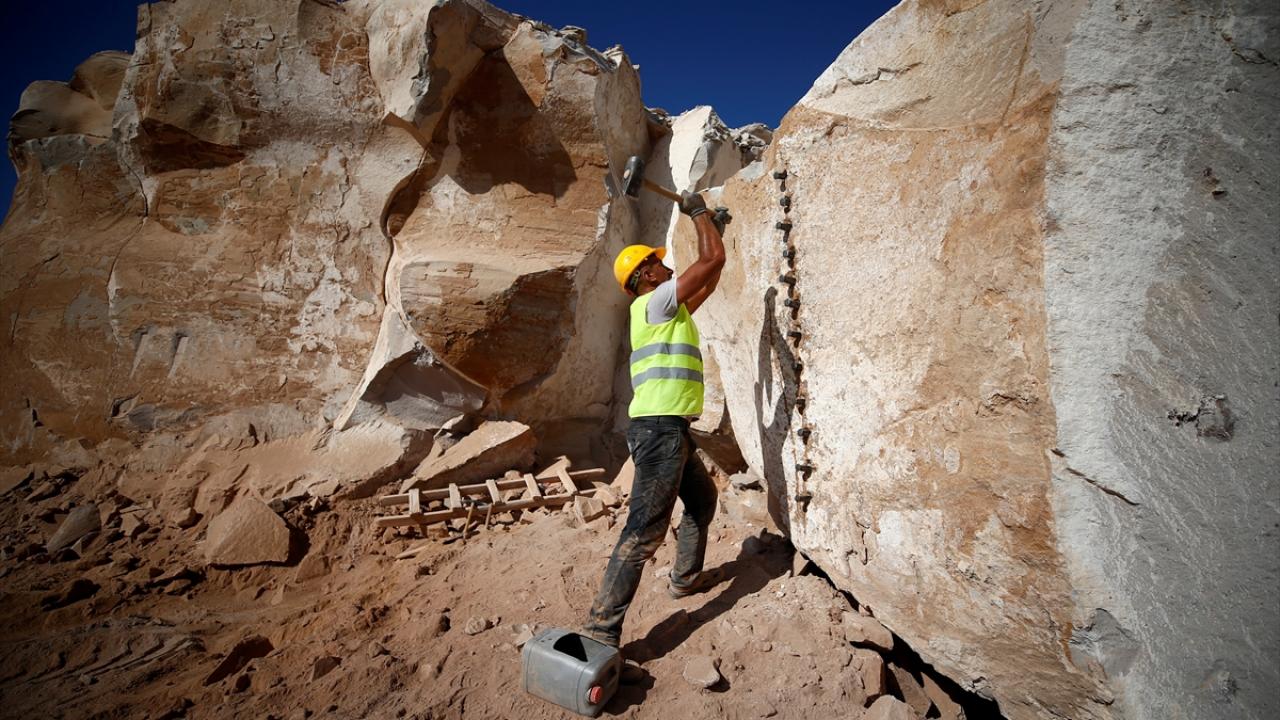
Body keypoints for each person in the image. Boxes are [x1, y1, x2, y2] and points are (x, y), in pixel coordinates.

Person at [584, 191, 726, 649]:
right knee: (643, 531)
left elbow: (712, 272)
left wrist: (712, 231)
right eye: (660, 264)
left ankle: (684, 580)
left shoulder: (667, 311)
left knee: (702, 503)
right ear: (645, 275)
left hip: (672, 427)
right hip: (660, 430)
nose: (667, 268)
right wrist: (699, 213)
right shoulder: (655, 303)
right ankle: (602, 632)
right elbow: (710, 260)